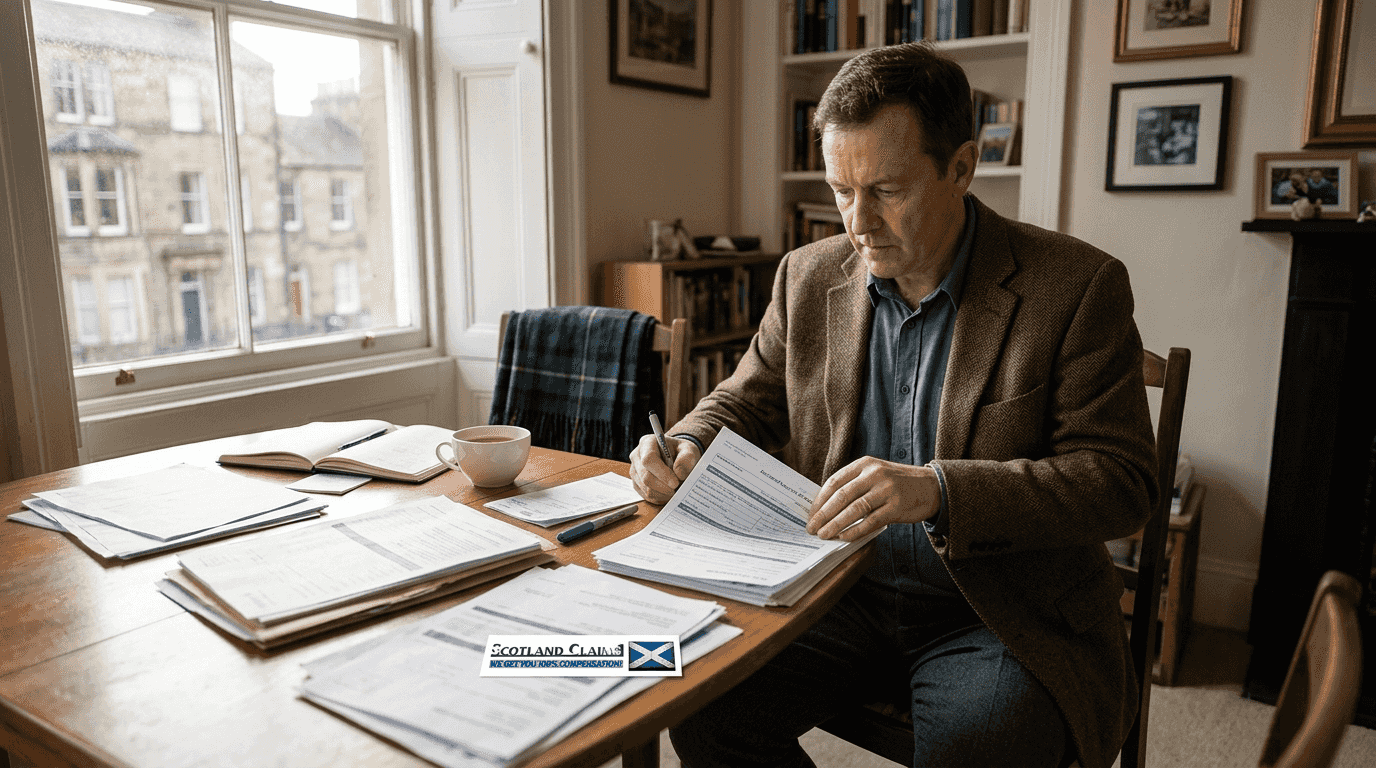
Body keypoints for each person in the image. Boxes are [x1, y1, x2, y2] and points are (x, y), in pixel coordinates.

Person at [629, 41, 1157, 768]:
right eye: (842, 190)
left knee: (981, 745)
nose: (856, 222)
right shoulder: (805, 278)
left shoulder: (1076, 286)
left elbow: (1120, 484)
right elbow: (744, 401)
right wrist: (686, 440)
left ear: (963, 168)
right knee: (696, 698)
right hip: (833, 588)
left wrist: (939, 490)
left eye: (886, 190)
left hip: (995, 613)